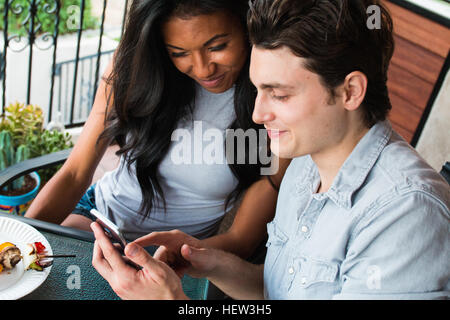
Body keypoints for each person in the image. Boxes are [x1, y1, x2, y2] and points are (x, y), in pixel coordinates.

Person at [91, 0, 450, 300]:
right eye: (258, 90)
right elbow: (275, 290)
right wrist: (204, 259)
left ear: (350, 91)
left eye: (279, 94)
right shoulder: (304, 167)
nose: (258, 114)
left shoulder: (405, 214)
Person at [26, 0, 290, 261]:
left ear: (247, 26)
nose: (202, 69)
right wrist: (16, 241)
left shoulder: (267, 103)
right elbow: (75, 174)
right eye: (179, 53)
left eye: (217, 46)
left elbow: (240, 241)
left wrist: (171, 261)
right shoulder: (138, 70)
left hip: (182, 255)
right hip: (100, 219)